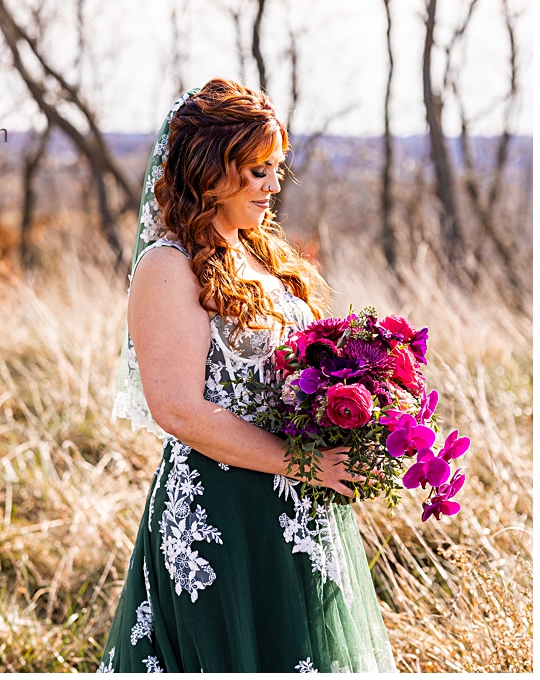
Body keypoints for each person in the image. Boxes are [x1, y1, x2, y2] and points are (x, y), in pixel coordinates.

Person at [99, 79, 394, 672]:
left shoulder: (263, 256)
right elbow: (177, 408)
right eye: (257, 171)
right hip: (223, 512)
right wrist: (303, 461)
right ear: (210, 169)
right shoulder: (169, 266)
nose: (273, 186)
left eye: (275, 169)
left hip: (300, 501)